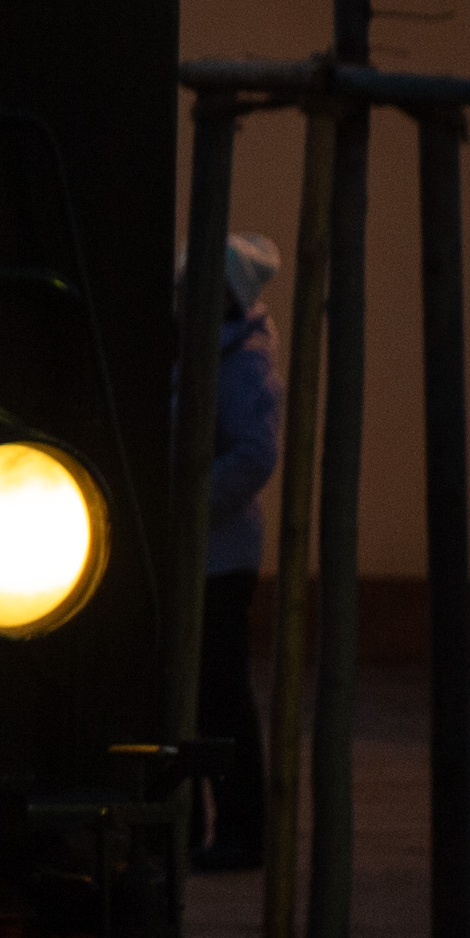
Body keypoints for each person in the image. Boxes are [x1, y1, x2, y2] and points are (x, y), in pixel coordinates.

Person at [194, 232, 282, 870]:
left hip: (220, 558)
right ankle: (199, 825)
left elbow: (254, 457)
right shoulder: (205, 349)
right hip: (198, 553)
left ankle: (243, 831)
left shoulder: (245, 362)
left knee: (220, 697)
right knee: (198, 696)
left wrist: (188, 498)